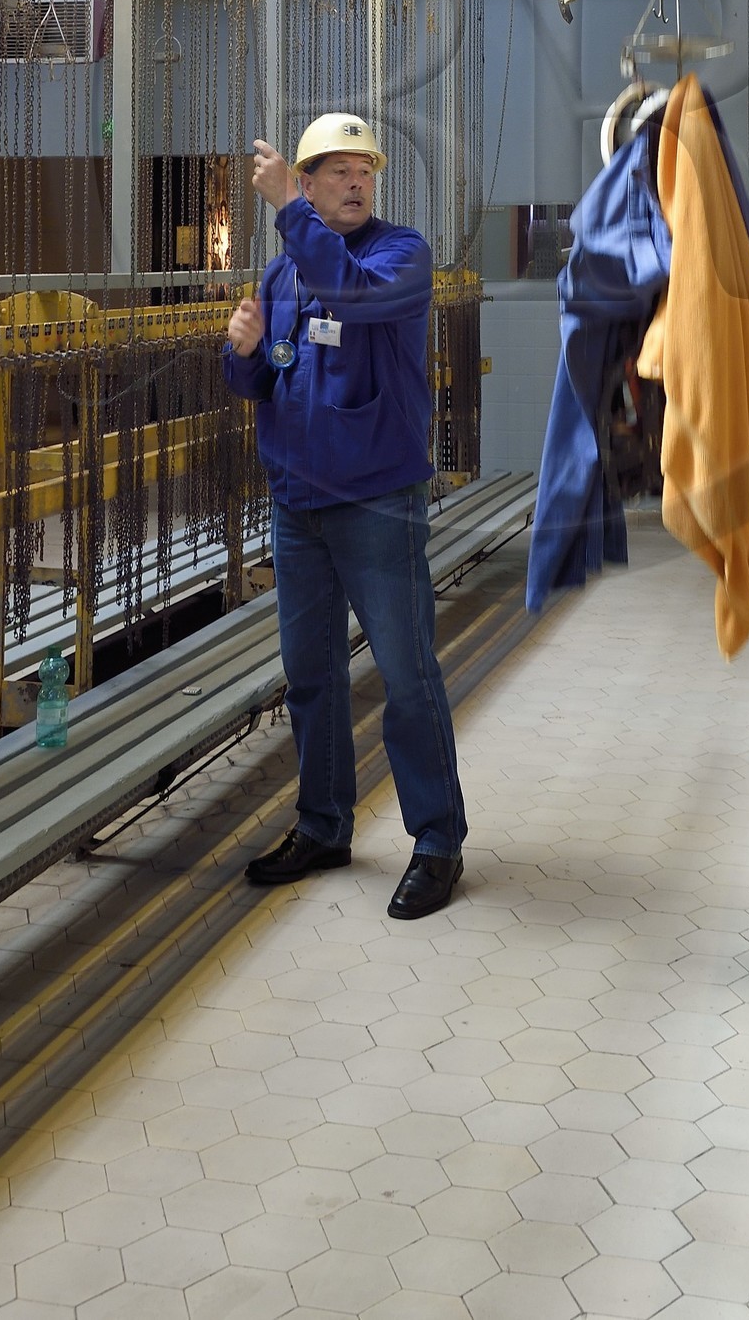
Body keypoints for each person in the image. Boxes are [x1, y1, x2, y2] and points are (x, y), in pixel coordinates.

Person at [223, 113, 466, 920]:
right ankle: (323, 824)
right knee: (313, 678)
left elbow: (353, 302)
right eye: (335, 170)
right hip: (298, 508)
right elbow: (263, 382)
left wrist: (291, 207)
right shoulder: (282, 272)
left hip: (376, 503)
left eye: (364, 169)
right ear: (311, 177)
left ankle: (436, 841)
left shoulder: (401, 256)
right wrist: (243, 349)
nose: (356, 181)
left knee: (407, 676)